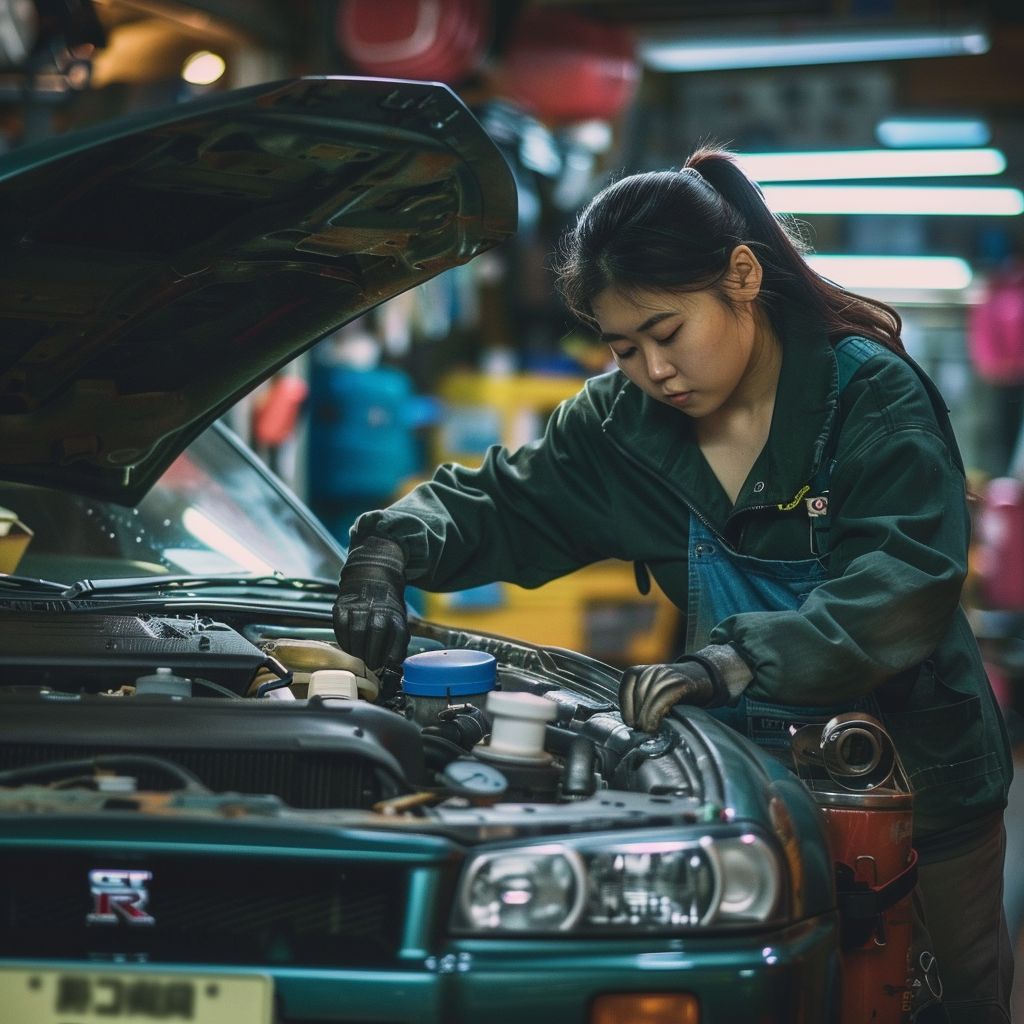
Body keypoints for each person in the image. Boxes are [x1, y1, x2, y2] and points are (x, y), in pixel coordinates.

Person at [332, 147, 1014, 1023]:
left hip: (913, 784)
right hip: (741, 788)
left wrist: (729, 663)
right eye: (624, 348)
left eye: (667, 332)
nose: (655, 370)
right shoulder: (620, 428)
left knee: (931, 1000)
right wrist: (389, 549)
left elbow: (902, 583)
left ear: (739, 276)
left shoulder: (865, 398)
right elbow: (501, 503)